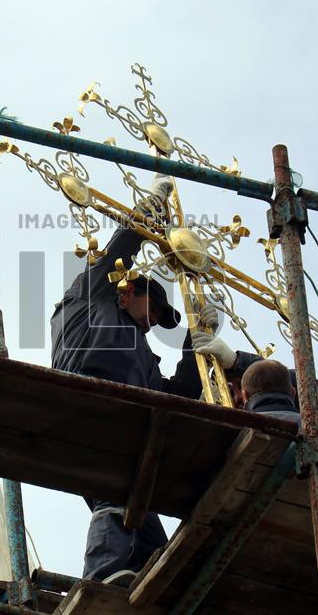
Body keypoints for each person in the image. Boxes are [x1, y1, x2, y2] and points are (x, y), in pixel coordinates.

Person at [50, 174, 223, 585]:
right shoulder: (90, 297)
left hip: (126, 422)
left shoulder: (141, 352)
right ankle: (105, 572)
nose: (153, 321)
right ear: (125, 292)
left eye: (161, 319)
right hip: (88, 402)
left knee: (141, 515)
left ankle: (149, 581)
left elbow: (174, 394)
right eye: (154, 308)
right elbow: (125, 243)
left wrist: (195, 345)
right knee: (117, 493)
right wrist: (154, 205)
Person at [190, 333, 318, 427]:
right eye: (229, 392)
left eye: (239, 386)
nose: (238, 398)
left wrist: (238, 362)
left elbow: (311, 387)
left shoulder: (314, 424)